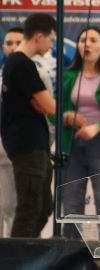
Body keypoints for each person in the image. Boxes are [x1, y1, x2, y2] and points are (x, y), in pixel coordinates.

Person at [0, 14, 56, 237]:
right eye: (51, 40)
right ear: (39, 36)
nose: (51, 45)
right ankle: (17, 255)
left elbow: (41, 104)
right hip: (27, 146)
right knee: (30, 208)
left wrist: (42, 104)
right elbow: (49, 106)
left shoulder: (19, 63)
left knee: (43, 207)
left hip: (35, 144)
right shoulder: (21, 63)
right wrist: (48, 106)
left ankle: (28, 251)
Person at [58, 26, 100, 237]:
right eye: (82, 40)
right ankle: (72, 252)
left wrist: (98, 127)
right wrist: (66, 116)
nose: (86, 44)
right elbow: (54, 110)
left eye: (93, 40)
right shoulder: (68, 76)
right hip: (73, 143)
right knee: (71, 204)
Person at [0, 27, 23, 237]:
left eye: (18, 43)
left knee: (17, 209)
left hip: (21, 154)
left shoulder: (35, 74)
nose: (13, 47)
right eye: (9, 43)